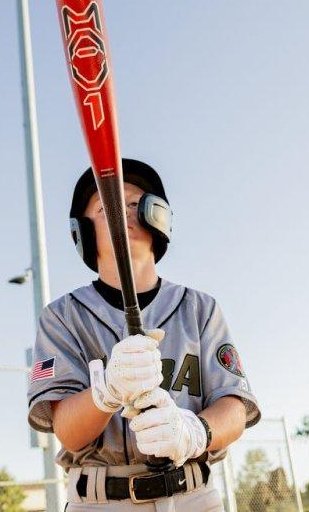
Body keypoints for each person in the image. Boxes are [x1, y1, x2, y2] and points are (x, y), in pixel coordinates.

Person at [27, 159, 260, 511]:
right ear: (84, 231)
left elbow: (234, 406)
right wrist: (106, 391)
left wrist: (195, 432)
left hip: (194, 496)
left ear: (159, 215)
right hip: (101, 500)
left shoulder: (199, 307)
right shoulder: (62, 316)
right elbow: (68, 431)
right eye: (107, 206)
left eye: (136, 203)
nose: (125, 213)